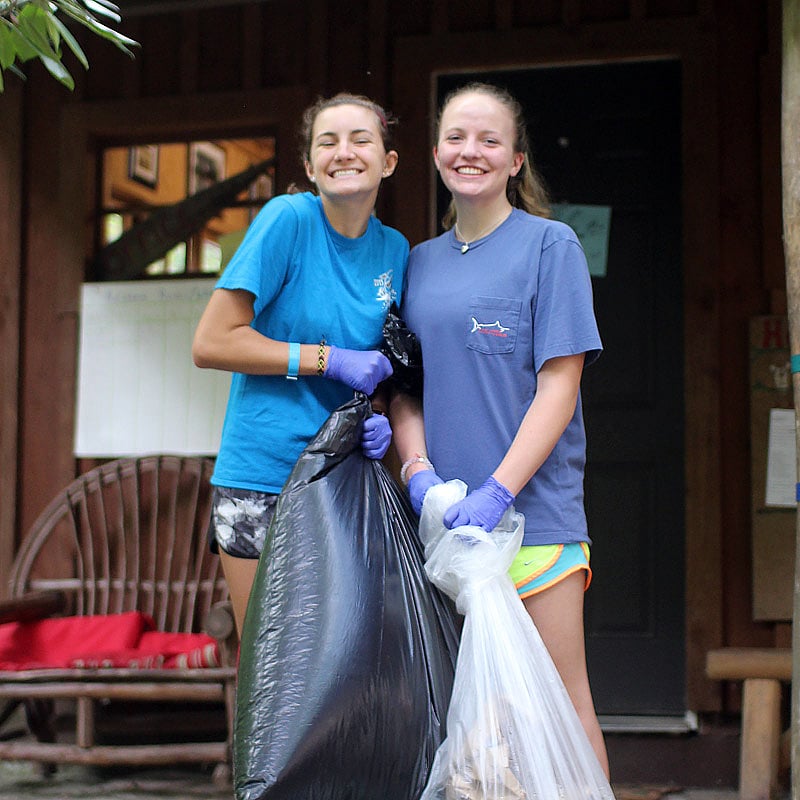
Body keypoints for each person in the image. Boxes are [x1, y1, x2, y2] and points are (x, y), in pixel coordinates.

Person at [389, 82, 609, 777]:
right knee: (467, 718)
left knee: (560, 705)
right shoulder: (416, 263)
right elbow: (404, 386)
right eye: (457, 138)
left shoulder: (551, 246)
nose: (471, 151)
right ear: (434, 153)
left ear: (516, 159)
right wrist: (417, 470)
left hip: (533, 521)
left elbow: (560, 385)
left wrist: (497, 493)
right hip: (444, 530)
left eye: (489, 139)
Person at [193, 93, 408, 636]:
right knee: (268, 672)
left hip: (343, 479)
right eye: (327, 142)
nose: (344, 152)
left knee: (336, 665)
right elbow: (213, 341)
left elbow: (381, 362)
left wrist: (379, 411)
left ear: (388, 161)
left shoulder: (396, 250)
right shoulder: (287, 220)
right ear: (310, 167)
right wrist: (327, 360)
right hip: (261, 476)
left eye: (361, 139)